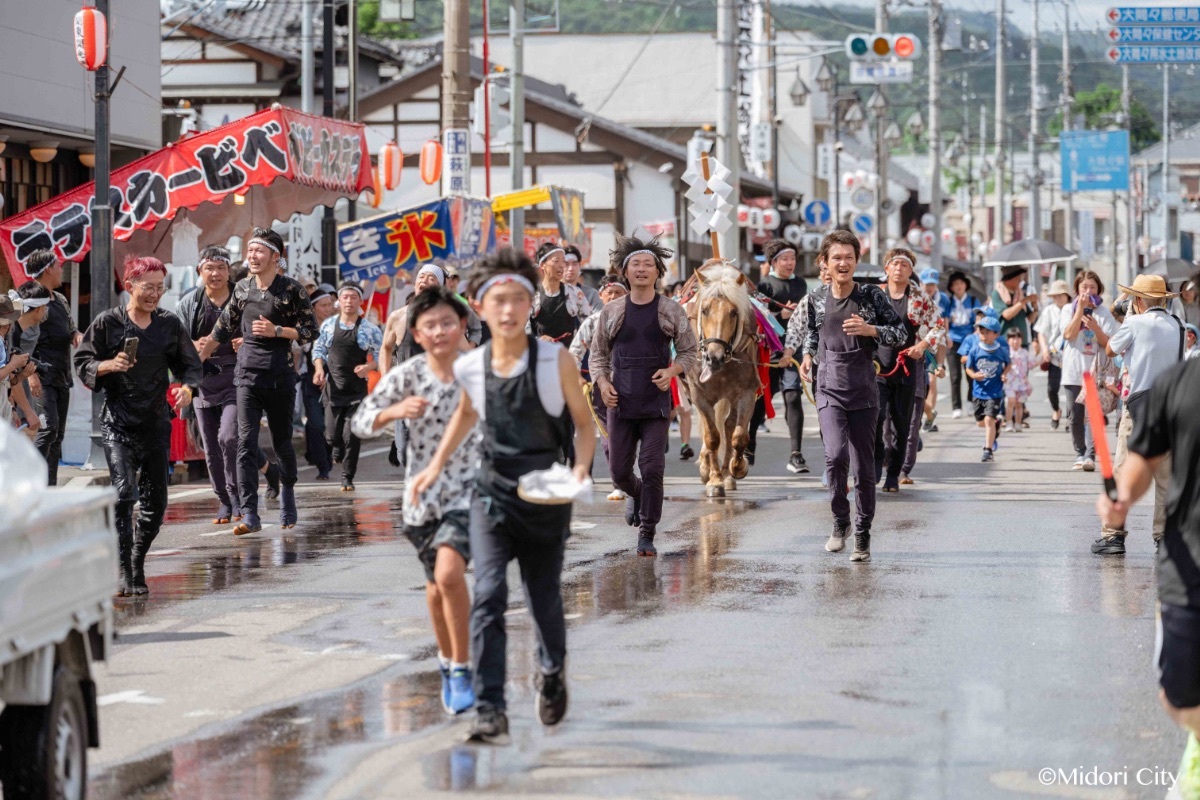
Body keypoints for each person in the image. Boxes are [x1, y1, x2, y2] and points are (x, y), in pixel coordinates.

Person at [409, 249, 596, 745]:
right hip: (490, 493)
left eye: (518, 300)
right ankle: (490, 709)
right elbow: (467, 416)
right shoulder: (472, 365)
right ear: (481, 308)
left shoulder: (556, 360)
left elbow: (583, 425)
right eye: (499, 301)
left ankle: (552, 670)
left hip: (545, 493)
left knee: (542, 596)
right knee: (488, 594)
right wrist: (433, 466)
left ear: (530, 305)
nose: (509, 310)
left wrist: (579, 469)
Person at [352, 287, 480, 715]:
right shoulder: (406, 375)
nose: (440, 331)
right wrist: (393, 412)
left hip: (468, 489)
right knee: (434, 585)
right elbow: (362, 421)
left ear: (462, 326)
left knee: (448, 575)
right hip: (421, 496)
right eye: (430, 325)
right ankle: (447, 661)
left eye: (448, 322)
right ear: (417, 333)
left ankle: (462, 667)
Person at [1094, 356, 1200, 796]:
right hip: (1189, 560)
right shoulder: (1179, 383)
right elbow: (1141, 462)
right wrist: (1121, 496)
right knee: (1177, 695)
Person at [75, 256, 202, 596]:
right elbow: (83, 360)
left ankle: (136, 559)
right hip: (118, 424)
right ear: (130, 286)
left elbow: (189, 365)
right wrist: (107, 365)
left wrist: (188, 388)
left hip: (156, 422)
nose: (154, 294)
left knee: (156, 503)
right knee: (123, 493)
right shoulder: (107, 323)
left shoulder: (169, 324)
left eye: (160, 288)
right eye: (148, 287)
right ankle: (124, 569)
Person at [198, 227, 318, 535]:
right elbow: (222, 330)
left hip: (279, 375)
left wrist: (278, 331)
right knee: (244, 443)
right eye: (249, 250)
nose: (252, 256)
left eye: (259, 251)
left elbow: (309, 331)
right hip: (247, 375)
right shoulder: (241, 289)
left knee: (281, 441)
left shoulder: (291, 290)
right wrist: (193, 363)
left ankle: (288, 499)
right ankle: (250, 513)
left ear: (276, 257)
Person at [588, 235, 699, 556]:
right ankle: (636, 495)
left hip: (655, 403)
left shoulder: (670, 310)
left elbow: (690, 351)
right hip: (618, 402)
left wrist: (673, 371)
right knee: (619, 472)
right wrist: (603, 382)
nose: (641, 269)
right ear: (624, 272)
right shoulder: (611, 311)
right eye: (635, 264)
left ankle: (647, 532)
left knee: (652, 468)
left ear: (657, 271)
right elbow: (598, 355)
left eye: (648, 264)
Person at [800, 230, 904, 562]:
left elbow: (899, 333)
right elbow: (813, 333)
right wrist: (807, 355)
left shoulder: (872, 296)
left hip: (862, 386)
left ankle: (862, 533)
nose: (842, 263)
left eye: (849, 257)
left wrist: (871, 330)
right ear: (824, 263)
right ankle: (840, 520)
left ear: (857, 261)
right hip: (828, 385)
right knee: (833, 456)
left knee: (863, 468)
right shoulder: (816, 297)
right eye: (836, 258)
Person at [1092, 274, 1187, 556]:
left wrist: (1127, 318)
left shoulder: (1133, 323)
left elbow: (1110, 349)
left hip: (1139, 406)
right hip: (1171, 407)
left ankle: (1113, 536)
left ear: (1138, 300)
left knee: (1123, 470)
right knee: (1167, 479)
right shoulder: (1179, 325)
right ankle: (1164, 539)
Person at [176, 246, 246, 523]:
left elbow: (261, 332)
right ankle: (224, 502)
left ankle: (238, 496)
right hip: (202, 379)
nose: (215, 273)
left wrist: (248, 342)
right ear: (199, 272)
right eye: (209, 268)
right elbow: (177, 344)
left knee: (228, 437)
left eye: (221, 267)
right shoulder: (189, 304)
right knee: (211, 447)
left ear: (229, 271)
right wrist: (193, 345)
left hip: (238, 378)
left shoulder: (243, 300)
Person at [872, 247, 946, 494]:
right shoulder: (875, 295)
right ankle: (876, 459)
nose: (899, 269)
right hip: (878, 368)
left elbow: (938, 326)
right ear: (887, 269)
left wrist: (923, 344)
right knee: (876, 417)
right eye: (895, 264)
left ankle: (893, 474)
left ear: (911, 271)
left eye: (904, 265)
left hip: (907, 367)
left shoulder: (920, 297)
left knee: (902, 424)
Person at [312, 283, 382, 492]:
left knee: (352, 435)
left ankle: (347, 477)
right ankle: (336, 448)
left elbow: (381, 356)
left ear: (359, 301)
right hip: (333, 389)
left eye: (353, 297)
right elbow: (319, 351)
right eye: (345, 297)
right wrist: (318, 369)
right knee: (332, 436)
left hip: (357, 390)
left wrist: (369, 366)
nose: (349, 301)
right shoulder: (328, 326)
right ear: (339, 301)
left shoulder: (369, 329)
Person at [23, 250, 81, 485]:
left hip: (61, 375)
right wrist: (31, 374)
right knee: (47, 429)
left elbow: (71, 328)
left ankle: (50, 488)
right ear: (48, 268)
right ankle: (31, 484)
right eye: (58, 265)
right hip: (39, 376)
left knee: (57, 436)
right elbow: (22, 337)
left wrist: (77, 336)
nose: (61, 270)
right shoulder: (30, 297)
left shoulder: (61, 299)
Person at [569, 274, 630, 487]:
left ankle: (630, 476)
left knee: (629, 436)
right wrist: (578, 378)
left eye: (618, 293)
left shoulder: (636, 318)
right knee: (608, 437)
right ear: (601, 296)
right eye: (609, 293)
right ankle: (619, 482)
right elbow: (574, 353)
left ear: (626, 295)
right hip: (602, 385)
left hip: (634, 384)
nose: (613, 297)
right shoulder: (592, 322)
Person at [754, 238, 809, 474]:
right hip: (769, 349)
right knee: (760, 398)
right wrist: (781, 314)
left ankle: (796, 454)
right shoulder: (765, 286)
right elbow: (758, 318)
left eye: (793, 258)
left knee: (793, 396)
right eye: (785, 259)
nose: (790, 263)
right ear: (774, 262)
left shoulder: (801, 284)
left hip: (793, 349)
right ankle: (749, 443)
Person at [1060, 270, 1119, 472]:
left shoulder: (1104, 313)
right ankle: (1080, 451)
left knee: (1094, 415)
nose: (1088, 291)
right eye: (1084, 287)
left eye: (1092, 287)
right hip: (1073, 370)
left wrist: (1095, 328)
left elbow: (1110, 344)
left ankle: (1090, 455)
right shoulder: (1068, 309)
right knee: (1074, 416)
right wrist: (1080, 311)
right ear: (1077, 288)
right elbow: (1068, 335)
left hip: (1096, 373)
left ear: (1099, 289)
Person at [299, 284, 335, 480]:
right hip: (312, 382)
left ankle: (329, 456)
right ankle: (323, 466)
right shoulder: (307, 329)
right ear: (313, 308)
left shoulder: (338, 326)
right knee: (315, 424)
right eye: (323, 305)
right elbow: (299, 351)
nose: (328, 309)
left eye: (330, 305)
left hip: (335, 382)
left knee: (331, 425)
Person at [963, 317, 1010, 461]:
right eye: (981, 332)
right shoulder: (975, 350)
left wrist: (1004, 374)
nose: (983, 335)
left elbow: (1008, 364)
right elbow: (968, 368)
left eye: (987, 332)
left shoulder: (1000, 350)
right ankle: (996, 425)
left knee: (989, 419)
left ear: (996, 334)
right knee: (980, 422)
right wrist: (974, 375)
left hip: (994, 392)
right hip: (978, 392)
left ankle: (988, 450)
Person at [531, 243, 592, 347]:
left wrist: (577, 354)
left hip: (568, 357)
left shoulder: (575, 293)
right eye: (556, 261)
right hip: (538, 356)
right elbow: (520, 330)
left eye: (563, 261)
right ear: (543, 265)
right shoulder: (532, 295)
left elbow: (589, 327)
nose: (561, 265)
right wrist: (537, 340)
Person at [1033, 279, 1072, 430]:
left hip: (1071, 354)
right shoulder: (1049, 310)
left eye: (1060, 295)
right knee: (1052, 388)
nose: (1057, 298)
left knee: (1072, 389)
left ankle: (1071, 416)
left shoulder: (1074, 309)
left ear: (1067, 295)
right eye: (1054, 296)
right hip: (1055, 354)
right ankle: (1056, 409)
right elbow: (1042, 332)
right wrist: (1044, 350)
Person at [943, 271, 982, 417]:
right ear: (951, 287)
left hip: (969, 342)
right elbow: (944, 319)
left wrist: (976, 333)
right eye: (955, 284)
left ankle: (971, 402)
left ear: (966, 285)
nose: (958, 286)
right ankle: (956, 407)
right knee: (954, 376)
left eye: (961, 283)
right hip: (952, 341)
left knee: (970, 374)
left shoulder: (972, 300)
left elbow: (979, 319)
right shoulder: (948, 301)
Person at [920, 268, 949, 432]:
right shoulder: (915, 297)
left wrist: (947, 336)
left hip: (934, 344)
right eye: (926, 284)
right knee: (918, 386)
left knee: (931, 381)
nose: (929, 287)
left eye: (932, 284)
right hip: (917, 344)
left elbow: (944, 321)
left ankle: (928, 414)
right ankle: (929, 414)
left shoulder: (942, 299)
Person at [991, 265, 1039, 347]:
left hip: (1022, 342)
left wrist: (1035, 307)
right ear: (1010, 279)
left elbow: (1031, 319)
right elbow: (1007, 315)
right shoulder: (997, 293)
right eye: (1018, 278)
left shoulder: (1020, 294)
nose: (1021, 280)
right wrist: (1024, 301)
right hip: (1006, 341)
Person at [1002, 327, 1032, 432]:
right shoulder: (1005, 352)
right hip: (1010, 382)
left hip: (1021, 383)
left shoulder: (1024, 352)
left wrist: (1042, 360)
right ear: (1008, 340)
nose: (1015, 341)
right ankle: (1009, 422)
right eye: (1013, 339)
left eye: (1018, 338)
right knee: (1010, 402)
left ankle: (1018, 423)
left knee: (1019, 404)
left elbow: (1031, 364)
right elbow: (1002, 366)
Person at [562, 245, 602, 311]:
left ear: (579, 266)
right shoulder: (554, 294)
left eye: (574, 264)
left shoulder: (591, 294)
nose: (571, 269)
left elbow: (598, 318)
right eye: (566, 264)